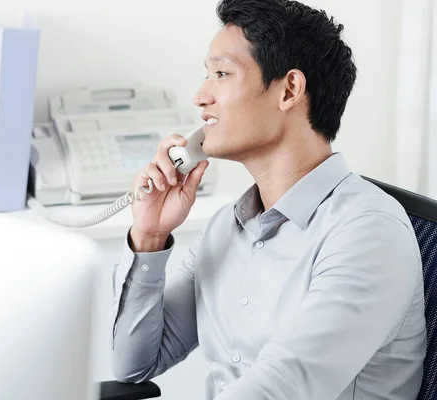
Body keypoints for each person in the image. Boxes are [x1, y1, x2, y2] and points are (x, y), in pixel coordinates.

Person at [109, 0, 427, 399]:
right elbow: (134, 365)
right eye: (206, 76)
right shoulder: (226, 226)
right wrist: (149, 236)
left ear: (289, 89)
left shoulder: (368, 233)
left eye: (221, 74)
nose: (200, 97)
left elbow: (281, 389)